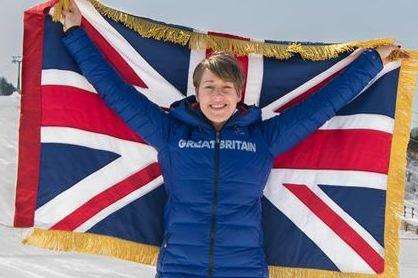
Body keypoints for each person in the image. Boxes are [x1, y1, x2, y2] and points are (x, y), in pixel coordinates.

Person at [61, 1, 398, 277]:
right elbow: (115, 92)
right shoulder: (170, 133)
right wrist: (75, 32)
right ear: (197, 92)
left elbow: (323, 106)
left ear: (239, 94)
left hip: (244, 269)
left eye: (226, 89)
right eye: (210, 87)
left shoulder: (263, 138)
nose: (217, 97)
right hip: (179, 269)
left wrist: (373, 63)